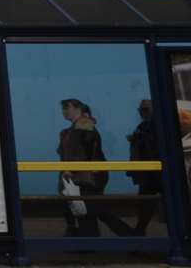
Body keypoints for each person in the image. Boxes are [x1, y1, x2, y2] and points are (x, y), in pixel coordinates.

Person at [58, 98, 133, 238]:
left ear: (78, 109)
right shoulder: (73, 129)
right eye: (63, 108)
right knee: (87, 209)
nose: (64, 111)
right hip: (87, 174)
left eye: (67, 108)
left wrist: (70, 170)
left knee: (94, 208)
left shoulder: (83, 125)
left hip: (88, 175)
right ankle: (91, 238)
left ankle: (130, 236)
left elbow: (80, 151)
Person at [127, 99, 163, 234]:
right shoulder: (143, 126)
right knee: (145, 205)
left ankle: (139, 233)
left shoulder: (157, 126)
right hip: (148, 172)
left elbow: (153, 147)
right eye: (140, 110)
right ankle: (139, 232)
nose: (142, 113)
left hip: (157, 172)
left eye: (145, 109)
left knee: (147, 204)